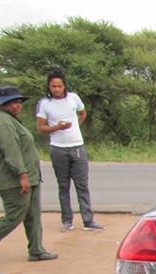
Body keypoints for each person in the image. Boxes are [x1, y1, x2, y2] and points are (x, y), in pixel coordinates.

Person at [0, 86, 58, 270]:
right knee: (15, 214)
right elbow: (11, 151)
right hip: (13, 180)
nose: (18, 105)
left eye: (19, 102)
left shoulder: (10, 120)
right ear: (4, 104)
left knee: (33, 215)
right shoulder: (2, 122)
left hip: (29, 177)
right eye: (14, 102)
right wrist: (22, 175)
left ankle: (36, 249)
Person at [36, 69, 103, 233]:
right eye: (53, 86)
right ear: (49, 87)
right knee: (63, 186)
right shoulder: (45, 103)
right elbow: (41, 127)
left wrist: (75, 127)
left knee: (82, 185)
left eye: (60, 86)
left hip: (77, 146)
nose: (57, 89)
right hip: (58, 149)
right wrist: (57, 127)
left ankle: (88, 220)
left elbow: (83, 113)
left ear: (64, 85)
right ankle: (67, 220)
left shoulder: (73, 98)